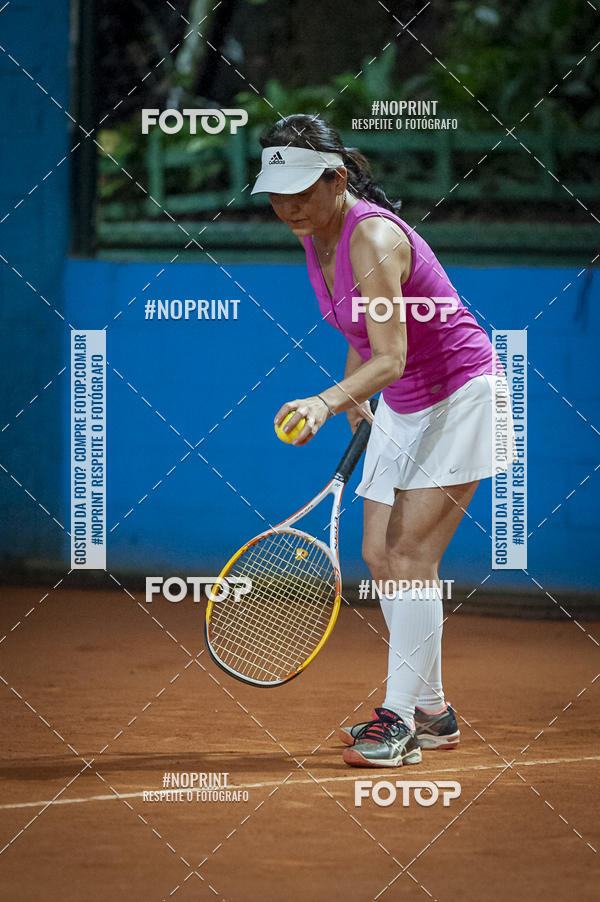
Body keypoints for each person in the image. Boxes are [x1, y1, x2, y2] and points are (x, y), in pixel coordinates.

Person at [251, 114, 514, 768]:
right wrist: (354, 397)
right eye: (277, 194)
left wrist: (323, 400)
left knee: (410, 554)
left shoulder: (370, 237)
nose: (287, 207)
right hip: (400, 400)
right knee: (377, 551)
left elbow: (392, 353)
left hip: (460, 395)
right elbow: (359, 331)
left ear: (337, 178)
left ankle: (397, 724)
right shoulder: (316, 233)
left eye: (302, 192)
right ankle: (433, 712)